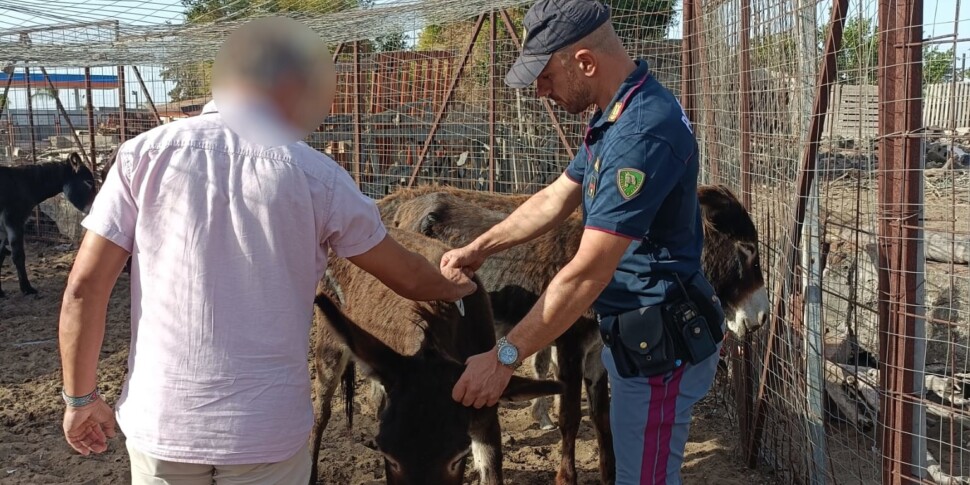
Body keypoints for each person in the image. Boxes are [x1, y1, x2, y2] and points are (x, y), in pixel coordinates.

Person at [57, 16, 476, 485]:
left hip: (164, 424)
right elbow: (408, 277)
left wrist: (80, 399)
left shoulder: (142, 156)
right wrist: (456, 282)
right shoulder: (319, 177)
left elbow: (83, 288)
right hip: (268, 432)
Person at [443, 0, 725, 483]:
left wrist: (504, 358)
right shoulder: (617, 111)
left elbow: (588, 271)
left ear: (586, 62)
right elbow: (556, 197)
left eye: (546, 76)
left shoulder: (641, 134)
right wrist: (480, 248)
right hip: (636, 334)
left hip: (660, 347)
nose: (540, 90)